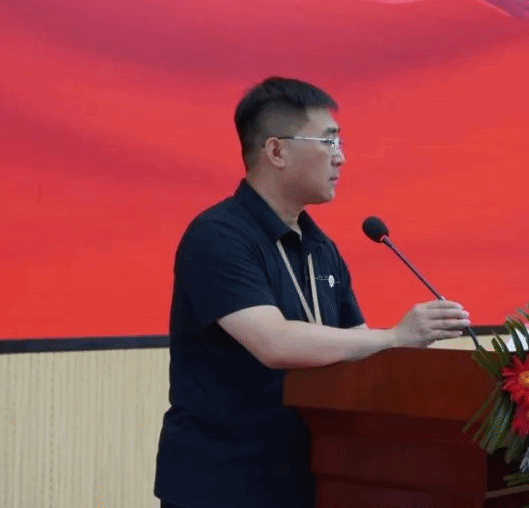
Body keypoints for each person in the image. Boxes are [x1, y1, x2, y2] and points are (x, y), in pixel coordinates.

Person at [153, 76, 472, 508]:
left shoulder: (321, 248)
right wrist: (395, 336)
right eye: (328, 142)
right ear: (276, 151)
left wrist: (404, 354)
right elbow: (273, 342)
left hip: (310, 476)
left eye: (340, 143)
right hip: (224, 482)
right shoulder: (219, 236)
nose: (341, 157)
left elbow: (357, 350)